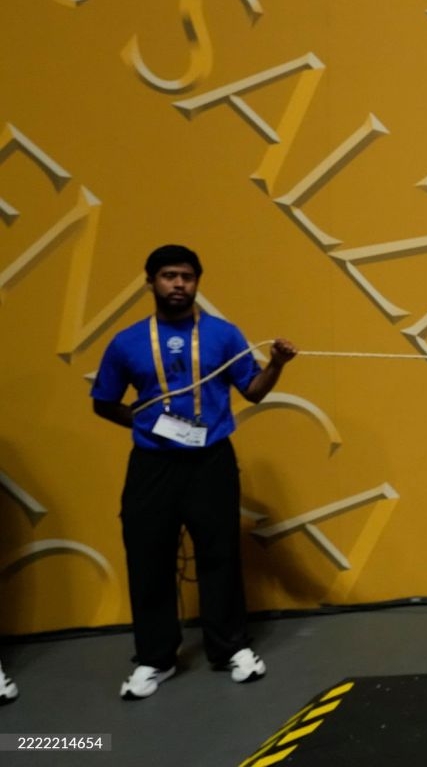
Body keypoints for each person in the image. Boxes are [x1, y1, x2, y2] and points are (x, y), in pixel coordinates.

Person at [91, 245, 296, 700]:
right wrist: (145, 425)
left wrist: (277, 364)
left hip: (211, 461)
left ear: (197, 282)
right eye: (168, 275)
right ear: (150, 282)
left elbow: (253, 391)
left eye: (187, 276)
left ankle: (230, 648)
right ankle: (155, 658)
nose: (178, 284)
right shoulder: (126, 342)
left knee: (220, 555)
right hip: (152, 465)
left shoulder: (223, 335)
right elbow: (103, 402)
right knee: (148, 559)